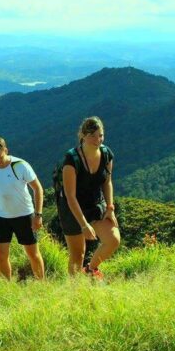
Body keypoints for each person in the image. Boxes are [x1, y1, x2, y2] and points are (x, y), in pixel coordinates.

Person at [57, 116, 121, 279]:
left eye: (100, 135)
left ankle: (91, 269)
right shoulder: (72, 159)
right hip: (72, 208)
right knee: (78, 254)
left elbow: (107, 181)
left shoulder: (106, 154)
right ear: (83, 136)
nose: (97, 140)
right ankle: (74, 291)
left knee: (113, 239)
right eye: (92, 135)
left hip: (94, 203)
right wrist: (84, 225)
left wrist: (110, 208)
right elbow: (70, 196)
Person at [0, 136, 45, 280]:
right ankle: (7, 288)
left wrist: (38, 215)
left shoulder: (20, 165)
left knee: (33, 254)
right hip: (2, 217)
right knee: (1, 256)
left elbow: (38, 189)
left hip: (24, 215)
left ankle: (42, 285)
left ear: (6, 150)